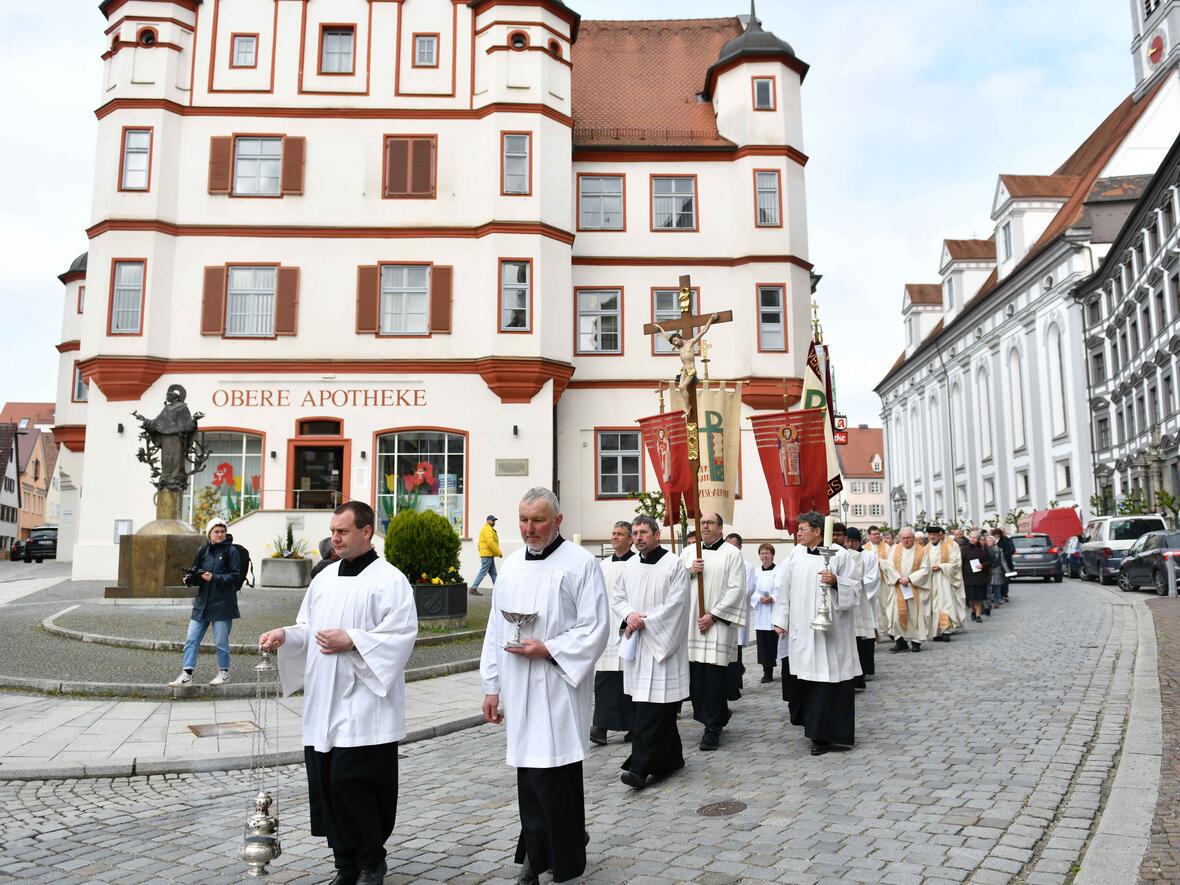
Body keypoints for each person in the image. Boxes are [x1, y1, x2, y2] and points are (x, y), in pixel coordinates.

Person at [259, 502, 417, 885]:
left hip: (366, 706)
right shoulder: (324, 579)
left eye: (343, 531)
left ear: (367, 532)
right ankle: (344, 864)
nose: (335, 538)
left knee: (354, 785)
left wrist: (353, 640)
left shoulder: (390, 580)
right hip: (325, 703)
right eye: (333, 531)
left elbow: (402, 636)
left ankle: (371, 862)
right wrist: (285, 635)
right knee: (327, 787)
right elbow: (307, 627)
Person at [480, 488, 609, 885]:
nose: (529, 528)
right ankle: (535, 852)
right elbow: (495, 629)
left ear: (558, 520)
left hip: (557, 685)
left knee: (556, 774)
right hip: (519, 685)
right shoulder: (514, 565)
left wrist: (549, 648)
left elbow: (595, 627)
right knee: (529, 774)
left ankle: (558, 855)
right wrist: (491, 685)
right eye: (523, 519)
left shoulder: (581, 564)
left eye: (537, 520)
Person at [773, 512, 863, 755]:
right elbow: (785, 590)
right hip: (803, 631)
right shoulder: (795, 554)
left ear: (817, 531)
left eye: (803, 528)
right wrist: (780, 620)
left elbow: (855, 590)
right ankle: (810, 726)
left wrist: (836, 582)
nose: (798, 533)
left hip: (830, 635)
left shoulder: (839, 555)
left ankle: (823, 736)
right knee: (805, 681)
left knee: (827, 682)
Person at [612, 516, 691, 790]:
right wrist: (630, 615)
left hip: (662, 645)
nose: (638, 537)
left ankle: (639, 769)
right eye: (635, 533)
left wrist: (647, 621)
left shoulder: (674, 564)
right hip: (640, 645)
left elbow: (677, 604)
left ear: (657, 534)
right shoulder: (629, 565)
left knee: (654, 709)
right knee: (657, 710)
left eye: (644, 532)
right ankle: (673, 758)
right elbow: (617, 597)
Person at [682, 512, 747, 750]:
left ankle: (712, 728)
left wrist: (714, 615)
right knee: (696, 679)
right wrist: (689, 571)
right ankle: (714, 715)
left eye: (709, 523)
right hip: (693, 624)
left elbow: (736, 589)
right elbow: (674, 583)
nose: (704, 526)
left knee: (714, 678)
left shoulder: (732, 554)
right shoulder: (689, 553)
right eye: (702, 523)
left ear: (720, 528)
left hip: (717, 624)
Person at [168, 518, 241, 687]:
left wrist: (214, 577)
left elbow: (235, 576)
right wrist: (189, 580)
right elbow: (196, 573)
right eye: (216, 531)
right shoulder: (202, 551)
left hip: (223, 603)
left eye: (222, 531)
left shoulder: (232, 551)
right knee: (191, 639)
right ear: (209, 534)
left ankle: (224, 673)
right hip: (202, 603)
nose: (220, 534)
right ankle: (187, 674)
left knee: (221, 642)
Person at [590, 521, 636, 746]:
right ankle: (600, 726)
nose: (615, 537)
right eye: (613, 533)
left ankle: (633, 725)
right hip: (606, 628)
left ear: (630, 539)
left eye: (620, 534)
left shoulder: (637, 564)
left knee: (627, 678)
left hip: (627, 628)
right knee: (605, 679)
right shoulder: (603, 565)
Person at [878, 528, 931, 653]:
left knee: (915, 616)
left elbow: (925, 569)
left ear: (913, 538)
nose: (906, 540)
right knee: (896, 614)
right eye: (904, 538)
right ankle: (900, 641)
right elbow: (889, 566)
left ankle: (916, 642)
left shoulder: (921, 551)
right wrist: (898, 578)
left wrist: (910, 578)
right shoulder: (895, 549)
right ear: (900, 538)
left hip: (914, 587)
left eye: (909, 538)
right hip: (898, 586)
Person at [724, 532, 757, 702]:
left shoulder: (747, 565)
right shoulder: (722, 560)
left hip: (737, 611)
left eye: (734, 545)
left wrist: (731, 598)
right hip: (722, 613)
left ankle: (736, 682)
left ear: (740, 547)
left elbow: (748, 589)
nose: (730, 548)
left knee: (736, 650)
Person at [845, 528, 878, 686]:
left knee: (865, 634)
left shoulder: (869, 555)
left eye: (853, 541)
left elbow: (872, 577)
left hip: (864, 598)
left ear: (859, 541)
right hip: (849, 597)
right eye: (848, 541)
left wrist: (858, 587)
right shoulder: (845, 555)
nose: (851, 544)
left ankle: (867, 668)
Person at [926, 526, 965, 643]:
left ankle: (946, 631)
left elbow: (955, 564)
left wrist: (941, 566)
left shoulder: (948, 547)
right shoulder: (924, 549)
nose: (932, 537)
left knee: (945, 604)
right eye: (930, 535)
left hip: (944, 580)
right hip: (930, 580)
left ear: (939, 535)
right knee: (933, 606)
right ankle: (936, 632)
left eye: (934, 535)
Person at [750, 543, 780, 683]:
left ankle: (785, 669)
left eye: (768, 553)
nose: (765, 555)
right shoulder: (755, 572)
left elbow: (781, 589)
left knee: (776, 644)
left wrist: (772, 598)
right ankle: (767, 672)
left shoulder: (779, 571)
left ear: (773, 555)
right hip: (761, 613)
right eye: (762, 553)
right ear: (759, 556)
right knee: (763, 646)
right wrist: (759, 598)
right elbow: (751, 590)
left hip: (775, 612)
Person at [961, 529, 992, 622]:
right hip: (968, 576)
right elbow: (961, 563)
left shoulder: (983, 548)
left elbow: (989, 561)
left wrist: (982, 565)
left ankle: (978, 615)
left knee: (979, 597)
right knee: (970, 598)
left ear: (978, 539)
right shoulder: (964, 549)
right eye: (970, 537)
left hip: (980, 576)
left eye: (974, 537)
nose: (972, 539)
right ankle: (973, 610)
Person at [471, 515, 502, 595]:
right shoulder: (487, 529)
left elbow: (481, 543)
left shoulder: (488, 529)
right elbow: (490, 542)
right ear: (488, 520)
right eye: (492, 520)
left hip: (488, 554)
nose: (494, 522)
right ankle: (473, 588)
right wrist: (498, 552)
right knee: (483, 572)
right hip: (487, 555)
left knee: (493, 573)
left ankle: (498, 589)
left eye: (494, 520)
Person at [985, 533, 1007, 608]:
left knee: (996, 587)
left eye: (990, 541)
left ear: (994, 542)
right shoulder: (983, 550)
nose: (988, 542)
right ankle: (988, 602)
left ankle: (996, 602)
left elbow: (1003, 561)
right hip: (987, 570)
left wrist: (1007, 571)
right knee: (988, 587)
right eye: (987, 541)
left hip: (997, 570)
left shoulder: (999, 550)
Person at [994, 527, 1015, 601]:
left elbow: (1011, 550)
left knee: (1006, 580)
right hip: (996, 564)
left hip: (1006, 563)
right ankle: (998, 595)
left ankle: (1004, 595)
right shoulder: (992, 540)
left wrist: (1002, 555)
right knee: (997, 580)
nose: (997, 536)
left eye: (999, 534)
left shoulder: (1006, 540)